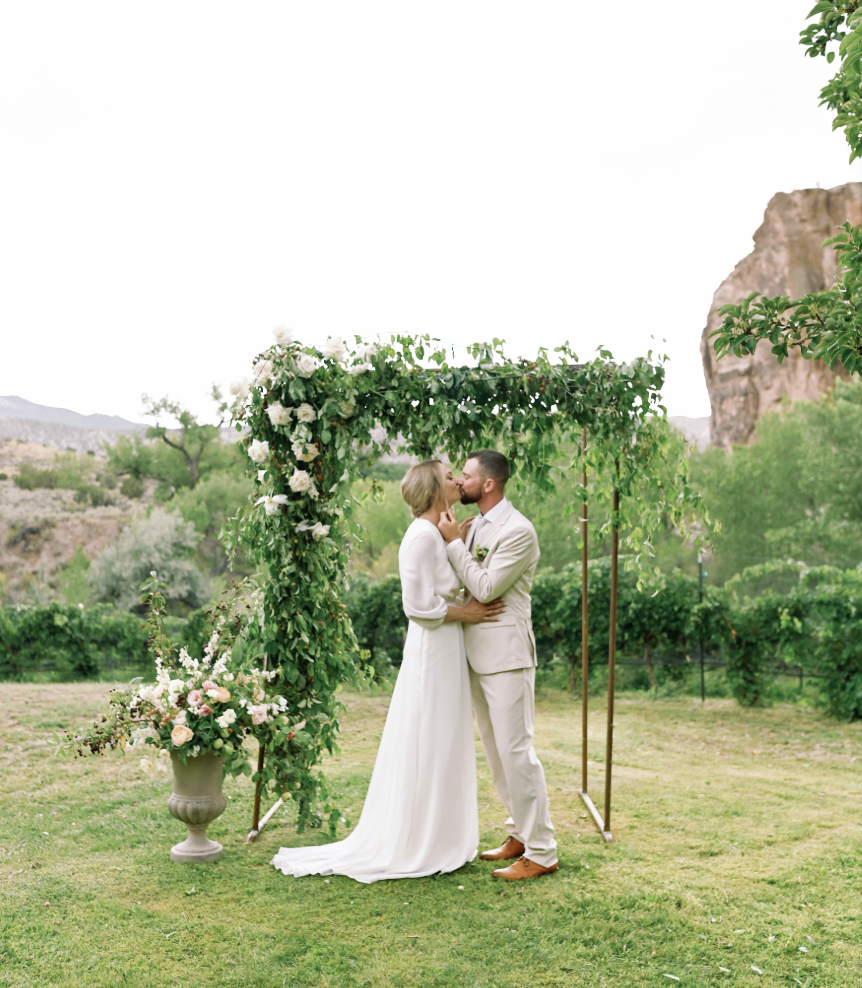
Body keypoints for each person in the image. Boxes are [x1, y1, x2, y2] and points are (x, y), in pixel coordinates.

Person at [271, 460, 504, 883]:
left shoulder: (438, 532)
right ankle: (420, 839)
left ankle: (441, 833)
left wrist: (460, 539)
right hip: (432, 649)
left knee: (447, 735)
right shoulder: (418, 537)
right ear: (435, 489)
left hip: (448, 647)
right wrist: (467, 614)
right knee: (429, 734)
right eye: (449, 476)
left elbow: (443, 580)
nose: (456, 480)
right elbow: (417, 606)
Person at [437, 449, 558, 881]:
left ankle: (543, 851)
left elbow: (486, 587)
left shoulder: (519, 531)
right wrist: (459, 540)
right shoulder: (472, 527)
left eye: (466, 476)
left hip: (506, 656)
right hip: (475, 654)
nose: (460, 482)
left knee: (517, 753)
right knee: (496, 753)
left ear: (488, 484)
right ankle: (519, 833)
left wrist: (454, 543)